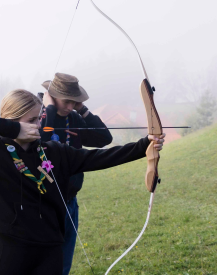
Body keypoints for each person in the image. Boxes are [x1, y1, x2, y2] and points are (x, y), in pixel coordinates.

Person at [0, 89, 165, 274]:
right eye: (30, 121)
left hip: (49, 250)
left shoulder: (54, 151)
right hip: (10, 250)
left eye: (38, 118)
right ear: (9, 119)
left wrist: (144, 145)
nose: (38, 125)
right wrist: (14, 130)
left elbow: (100, 157)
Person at [40, 72, 113, 274]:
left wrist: (83, 110)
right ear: (52, 96)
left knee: (64, 261)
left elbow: (104, 138)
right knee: (45, 260)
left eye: (75, 101)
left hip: (70, 200)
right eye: (67, 101)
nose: (71, 106)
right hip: (44, 203)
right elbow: (40, 142)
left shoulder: (74, 117)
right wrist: (51, 109)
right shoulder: (38, 114)